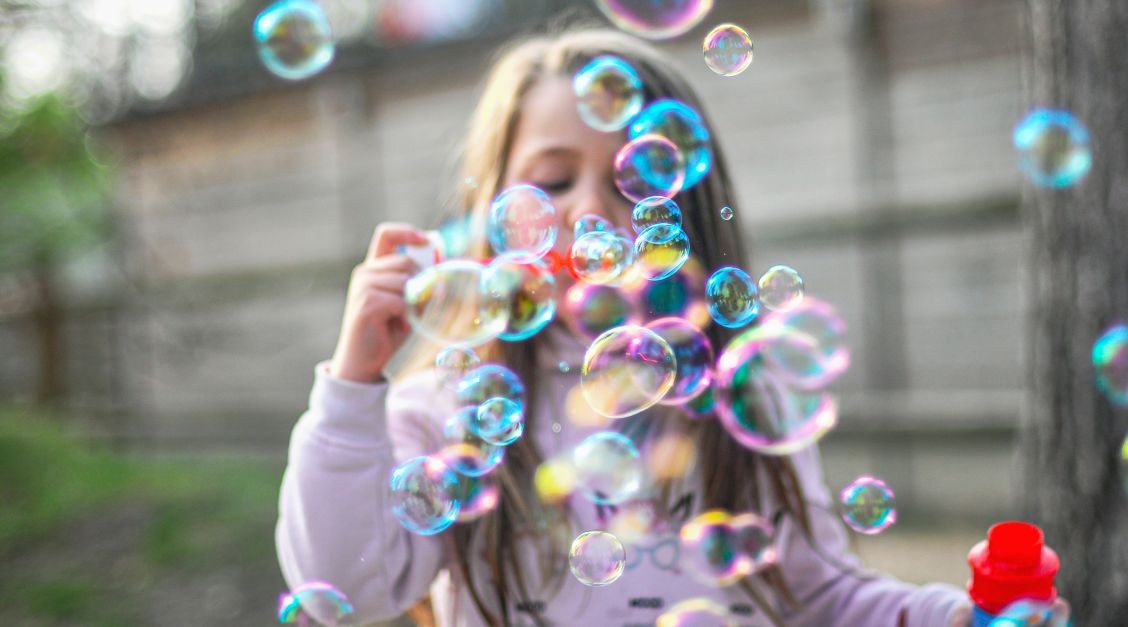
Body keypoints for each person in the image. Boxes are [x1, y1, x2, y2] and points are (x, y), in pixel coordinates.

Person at [277, 27, 983, 627]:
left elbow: (823, 594)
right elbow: (348, 580)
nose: (591, 209)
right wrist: (352, 383)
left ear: (690, 209)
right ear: (493, 209)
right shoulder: (447, 407)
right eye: (553, 182)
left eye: (634, 180)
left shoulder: (741, 396)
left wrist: (950, 615)